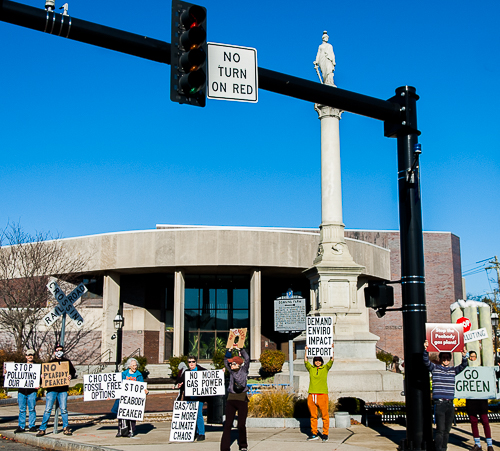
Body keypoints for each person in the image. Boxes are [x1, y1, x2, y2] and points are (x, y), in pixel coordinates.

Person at [423, 340, 467, 451]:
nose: (446, 360)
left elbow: (463, 366)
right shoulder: (435, 369)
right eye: (444, 358)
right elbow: (425, 361)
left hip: (450, 403)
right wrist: (425, 349)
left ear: (450, 359)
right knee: (440, 430)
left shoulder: (453, 370)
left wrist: (464, 355)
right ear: (440, 358)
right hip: (440, 403)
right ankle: (438, 448)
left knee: (447, 430)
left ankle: (444, 448)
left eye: (448, 358)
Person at [37, 344, 77, 437]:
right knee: (47, 409)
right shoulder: (50, 363)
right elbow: (44, 374)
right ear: (54, 352)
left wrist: (70, 375)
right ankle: (42, 429)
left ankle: (66, 427)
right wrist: (42, 377)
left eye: (61, 350)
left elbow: (73, 371)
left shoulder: (66, 362)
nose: (59, 352)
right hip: (51, 390)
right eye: (57, 350)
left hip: (63, 389)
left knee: (64, 409)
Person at [221, 345, 250, 451]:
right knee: (228, 423)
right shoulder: (231, 371)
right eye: (231, 363)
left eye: (233, 363)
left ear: (238, 364)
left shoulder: (244, 370)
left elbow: (247, 359)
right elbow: (225, 360)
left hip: (242, 399)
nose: (230, 365)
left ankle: (243, 445)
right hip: (231, 399)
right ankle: (224, 447)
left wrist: (241, 350)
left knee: (241, 424)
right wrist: (229, 350)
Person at [304, 343, 334, 442]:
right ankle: (314, 433)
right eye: (316, 361)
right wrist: (306, 351)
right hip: (312, 394)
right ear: (314, 362)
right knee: (313, 416)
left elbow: (331, 361)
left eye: (319, 361)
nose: (317, 362)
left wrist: (331, 350)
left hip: (322, 394)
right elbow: (305, 362)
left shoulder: (325, 368)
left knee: (324, 415)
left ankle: (325, 433)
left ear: (321, 361)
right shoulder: (311, 369)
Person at [466, 351, 493, 451]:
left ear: (477, 357)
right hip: (471, 400)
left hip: (481, 400)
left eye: (474, 356)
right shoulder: (466, 369)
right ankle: (477, 444)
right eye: (471, 357)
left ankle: (489, 444)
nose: (472, 358)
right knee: (473, 422)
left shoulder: (483, 369)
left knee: (485, 421)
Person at [116, 357, 149, 438]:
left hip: (134, 399)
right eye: (133, 365)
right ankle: (121, 431)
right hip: (124, 398)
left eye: (136, 365)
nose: (135, 367)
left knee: (132, 416)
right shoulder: (124, 374)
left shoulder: (138, 375)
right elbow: (118, 385)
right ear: (129, 366)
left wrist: (146, 391)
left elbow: (142, 386)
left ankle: (131, 431)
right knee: (122, 415)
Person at [177, 355, 206, 441]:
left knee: (198, 414)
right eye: (189, 362)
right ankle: (194, 432)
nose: (191, 364)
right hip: (189, 397)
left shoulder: (201, 370)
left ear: (196, 362)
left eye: (193, 362)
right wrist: (179, 384)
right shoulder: (186, 372)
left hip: (199, 397)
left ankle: (201, 433)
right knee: (191, 415)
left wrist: (221, 371)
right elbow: (180, 381)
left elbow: (210, 376)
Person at [13, 349, 38, 433]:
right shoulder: (20, 367)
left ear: (33, 356)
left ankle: (32, 426)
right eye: (28, 355)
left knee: (32, 409)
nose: (30, 356)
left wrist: (40, 383)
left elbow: (40, 379)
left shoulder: (37, 367)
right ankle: (21, 426)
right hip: (21, 391)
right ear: (26, 356)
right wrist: (6, 372)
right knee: (22, 410)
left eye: (32, 355)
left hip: (32, 391)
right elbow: (13, 375)